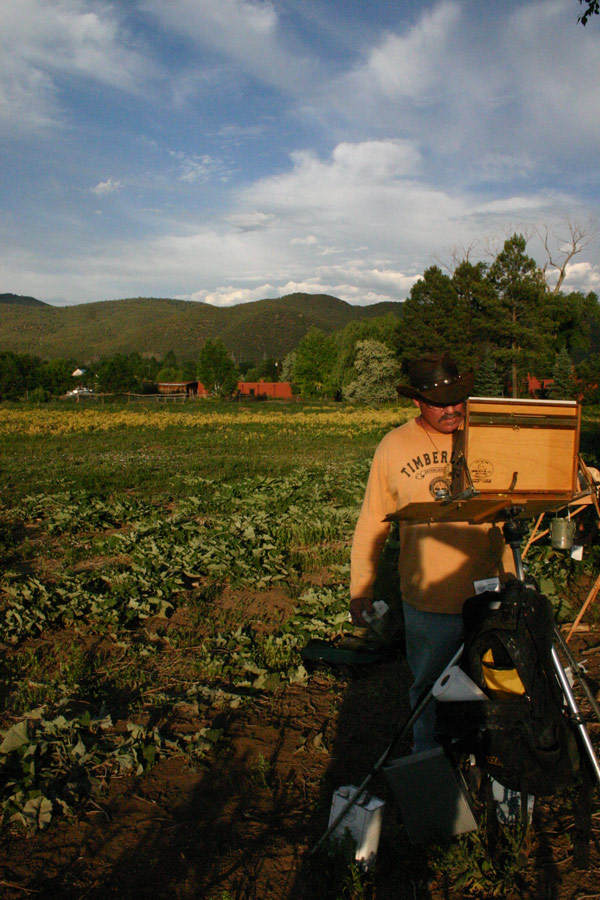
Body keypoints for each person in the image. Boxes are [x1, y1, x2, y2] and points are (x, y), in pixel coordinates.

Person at [350, 352, 515, 752]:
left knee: (503, 689)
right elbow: (374, 520)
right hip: (428, 601)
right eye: (440, 402)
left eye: (459, 398)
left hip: (494, 593)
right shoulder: (393, 446)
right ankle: (431, 769)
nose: (452, 409)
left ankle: (500, 771)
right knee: (430, 690)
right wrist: (361, 588)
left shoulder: (490, 434)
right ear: (417, 401)